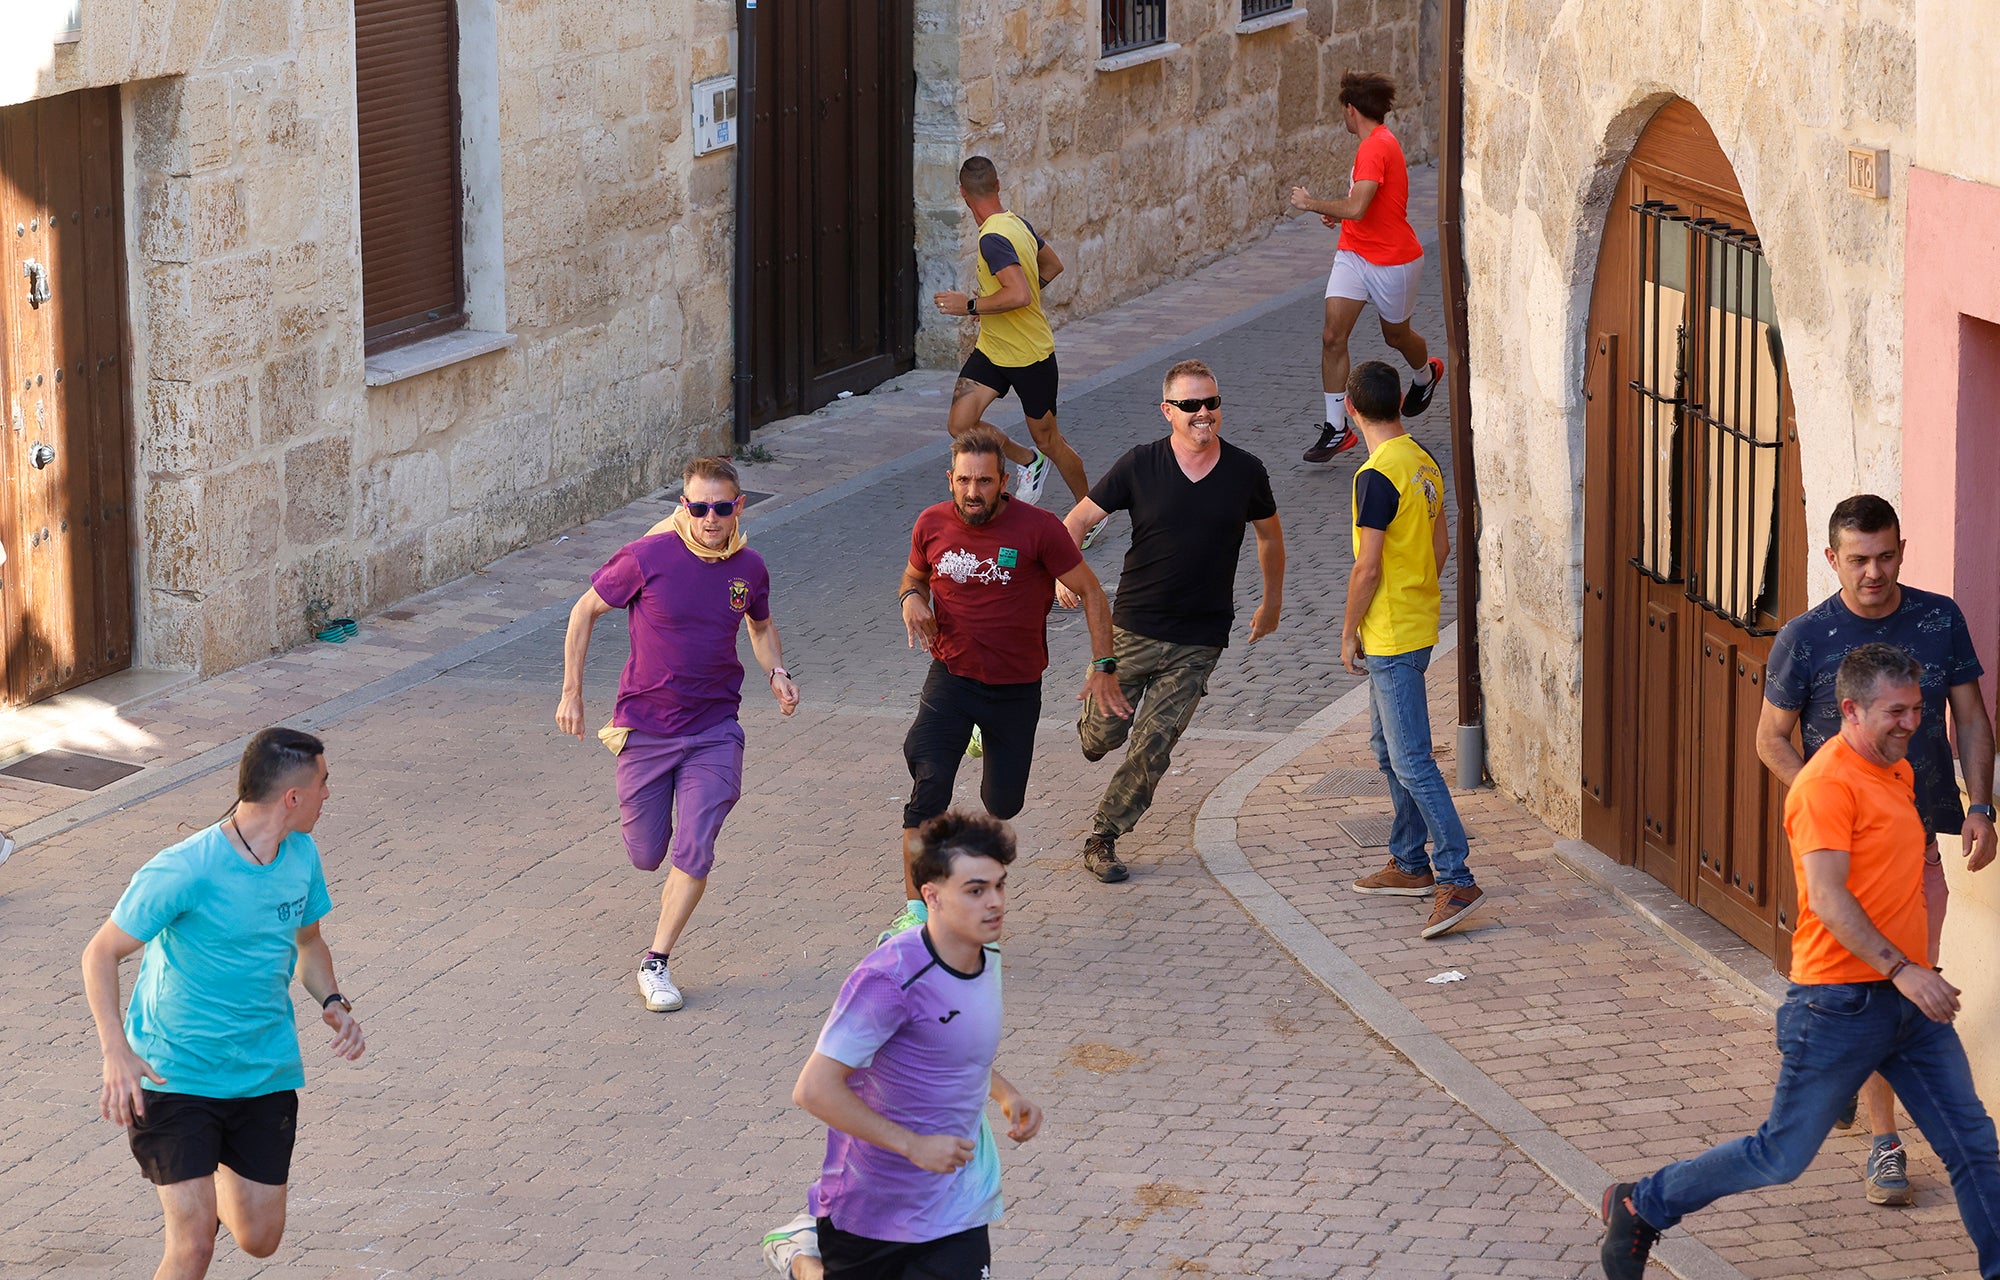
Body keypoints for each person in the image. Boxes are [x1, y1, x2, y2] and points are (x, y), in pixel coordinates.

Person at [1600, 643, 2000, 1280]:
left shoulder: (1897, 771)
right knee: (1780, 1155)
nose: (1911, 723)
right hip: (1838, 1003)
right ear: (1851, 710)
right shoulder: (1825, 786)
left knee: (1973, 1146)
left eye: (1917, 708)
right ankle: (1640, 1204)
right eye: (1896, 711)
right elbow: (1828, 898)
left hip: (1909, 1004)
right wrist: (1904, 969)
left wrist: (1914, 970)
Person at [1755, 493, 1995, 1204]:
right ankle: (1884, 1141)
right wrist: (1833, 802)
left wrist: (1980, 805)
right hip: (1844, 853)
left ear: (1901, 552)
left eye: (1886, 556)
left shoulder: (1938, 618)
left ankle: (1836, 1075)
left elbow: (1971, 718)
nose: (1874, 572)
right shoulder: (1804, 637)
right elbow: (1770, 739)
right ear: (1832, 558)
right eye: (1858, 559)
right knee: (1870, 988)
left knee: (1899, 986)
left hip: (1923, 845)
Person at [80, 728, 365, 1280]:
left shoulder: (301, 856)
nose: (328, 794)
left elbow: (308, 943)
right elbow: (100, 952)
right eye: (324, 783)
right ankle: (195, 1190)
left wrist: (331, 999)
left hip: (261, 1072)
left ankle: (206, 1183)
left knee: (260, 1239)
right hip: (175, 1074)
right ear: (293, 797)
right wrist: (115, 1051)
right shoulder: (186, 868)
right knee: (193, 1247)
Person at [557, 455, 801, 1012]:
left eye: (722, 508)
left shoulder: (750, 567)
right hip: (646, 731)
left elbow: (761, 626)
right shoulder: (647, 557)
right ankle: (656, 857)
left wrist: (776, 671)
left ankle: (656, 961)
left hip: (715, 729)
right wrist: (572, 692)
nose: (711, 518)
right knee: (647, 855)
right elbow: (583, 611)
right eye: (699, 508)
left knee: (695, 847)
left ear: (739, 507)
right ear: (684, 507)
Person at [763, 811, 1042, 1280]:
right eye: (976, 890)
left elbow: (949, 1046)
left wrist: (1007, 1094)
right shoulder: (889, 979)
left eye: (1000, 886)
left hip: (956, 1201)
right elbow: (813, 1090)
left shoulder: (987, 956)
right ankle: (799, 1256)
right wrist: (913, 1146)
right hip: (871, 1203)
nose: (995, 903)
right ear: (931, 896)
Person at [887, 427, 1128, 936]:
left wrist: (1104, 664)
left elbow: (1091, 592)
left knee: (1003, 803)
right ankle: (914, 915)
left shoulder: (1038, 529)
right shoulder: (931, 523)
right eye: (964, 481)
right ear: (950, 479)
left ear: (1003, 482)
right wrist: (910, 599)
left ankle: (981, 735)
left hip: (1015, 688)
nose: (973, 492)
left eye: (984, 482)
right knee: (928, 786)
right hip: (951, 677)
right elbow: (913, 577)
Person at [1056, 358, 1285, 883]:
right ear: (1167, 411)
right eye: (1190, 405)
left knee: (1153, 746)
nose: (1204, 413)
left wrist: (1271, 603)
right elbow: (1080, 518)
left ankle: (1104, 836)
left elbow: (1270, 536)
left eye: (1212, 403)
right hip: (1131, 630)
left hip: (1199, 640)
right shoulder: (1141, 464)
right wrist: (1064, 575)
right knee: (1102, 738)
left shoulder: (1246, 471)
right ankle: (1093, 729)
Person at [1336, 361, 1483, 938]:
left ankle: (1457, 877)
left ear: (1351, 409)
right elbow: (1441, 544)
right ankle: (1408, 862)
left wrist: (1349, 630)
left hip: (1391, 634)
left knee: (1413, 761)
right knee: (1387, 749)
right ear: (1401, 401)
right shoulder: (1422, 460)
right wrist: (1416, 589)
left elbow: (1367, 567)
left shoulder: (1375, 475)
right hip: (1417, 623)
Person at [932, 155, 1100, 543]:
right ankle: (1027, 461)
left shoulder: (992, 239)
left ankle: (1090, 513)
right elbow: (1052, 266)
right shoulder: (1016, 224)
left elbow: (1020, 294)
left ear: (962, 194)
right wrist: (994, 303)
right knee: (960, 425)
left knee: (1050, 440)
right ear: (997, 186)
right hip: (993, 350)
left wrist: (970, 305)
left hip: (1029, 356)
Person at [1288, 70, 1444, 464]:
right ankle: (1336, 428)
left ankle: (1425, 374)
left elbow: (1357, 207)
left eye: (1342, 110)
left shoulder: (1376, 147)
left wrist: (1311, 204)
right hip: (1354, 254)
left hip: (1393, 260)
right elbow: (1361, 204)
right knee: (1332, 336)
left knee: (1396, 336)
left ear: (1350, 109)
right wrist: (1337, 214)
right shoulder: (1374, 144)